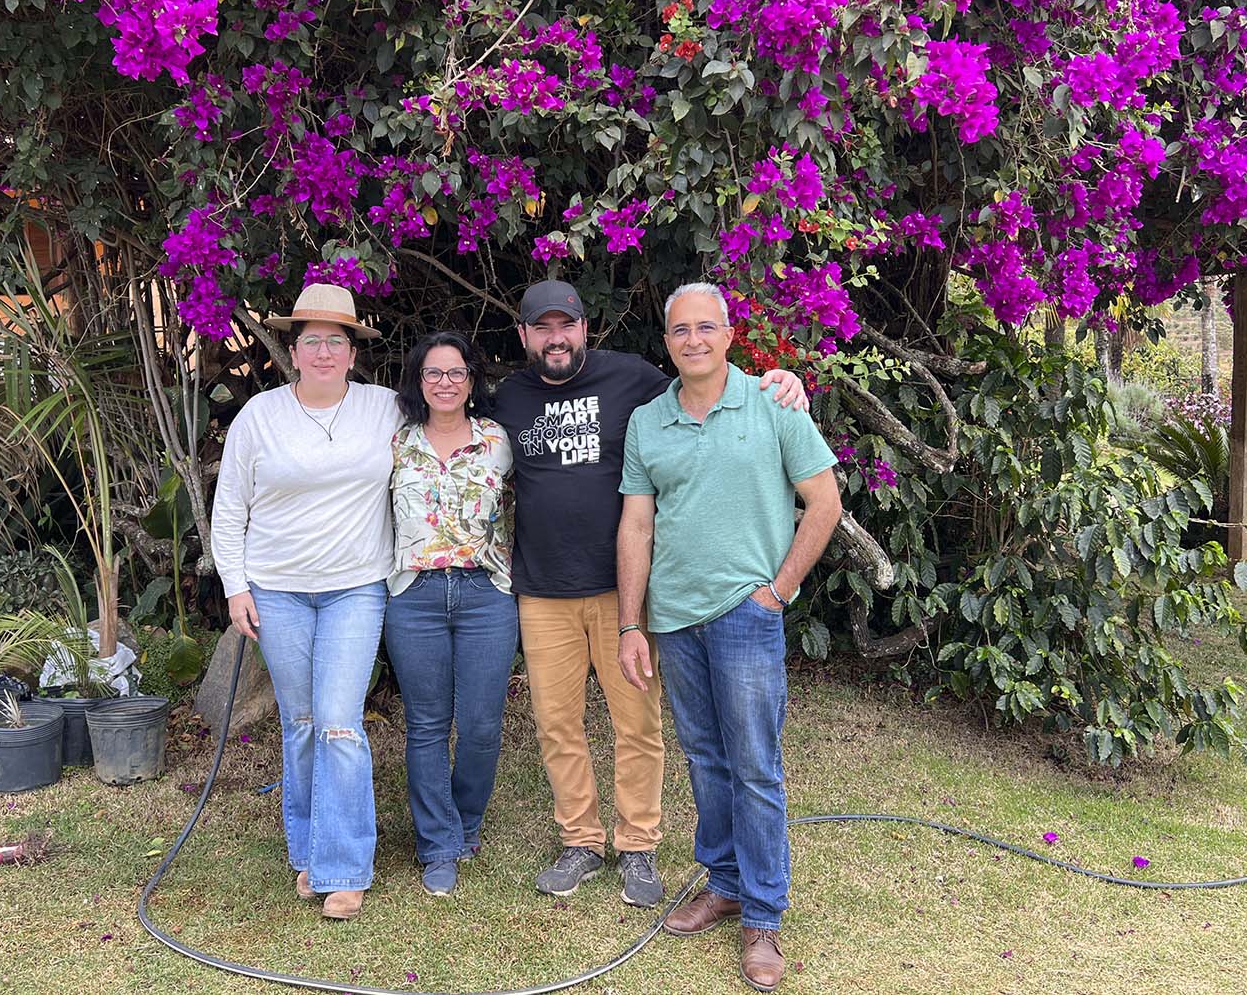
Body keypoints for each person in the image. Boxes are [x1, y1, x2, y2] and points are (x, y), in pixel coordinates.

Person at [492, 279, 809, 909]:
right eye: (542, 328)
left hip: (623, 593)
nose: (556, 338)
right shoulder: (508, 397)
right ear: (524, 334)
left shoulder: (632, 378)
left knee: (636, 723)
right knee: (557, 725)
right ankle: (580, 840)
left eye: (566, 325)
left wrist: (780, 381)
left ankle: (638, 845)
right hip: (542, 590)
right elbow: (442, 410)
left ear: (585, 328)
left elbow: (705, 384)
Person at [615, 282, 842, 992]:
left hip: (747, 614)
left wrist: (778, 591)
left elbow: (825, 502)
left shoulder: (773, 403)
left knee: (754, 766)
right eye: (680, 329)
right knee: (706, 759)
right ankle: (724, 884)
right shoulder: (648, 422)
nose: (693, 339)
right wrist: (631, 621)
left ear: (728, 334)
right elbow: (637, 526)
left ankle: (764, 915)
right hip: (674, 617)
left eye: (705, 327)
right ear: (667, 341)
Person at [210, 283, 400, 922]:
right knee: (299, 722)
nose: (323, 352)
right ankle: (309, 850)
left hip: (356, 588)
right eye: (311, 341)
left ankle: (343, 867)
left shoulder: (384, 408)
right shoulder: (259, 416)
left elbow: (440, 437)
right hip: (277, 590)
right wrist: (236, 586)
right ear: (292, 352)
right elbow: (230, 508)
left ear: (353, 352)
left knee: (339, 720)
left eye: (335, 341)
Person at [383, 332, 518, 898]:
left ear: (471, 379)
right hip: (414, 596)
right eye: (433, 373)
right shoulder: (395, 442)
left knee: (482, 724)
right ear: (418, 381)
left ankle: (466, 822)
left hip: (485, 594)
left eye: (456, 372)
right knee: (427, 724)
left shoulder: (498, 440)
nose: (445, 382)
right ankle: (438, 843)